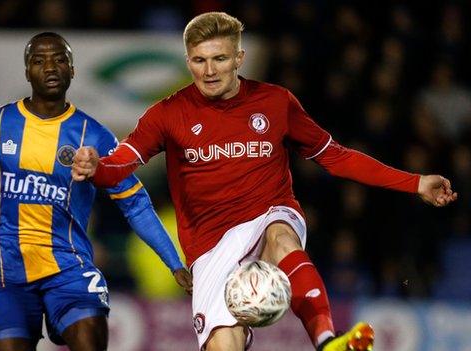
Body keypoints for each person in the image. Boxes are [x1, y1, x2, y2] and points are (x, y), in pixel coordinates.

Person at [71, 12, 458, 351]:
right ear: (188, 60)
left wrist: (415, 182)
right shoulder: (168, 114)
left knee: (280, 234)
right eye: (200, 61)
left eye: (220, 59)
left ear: (239, 58)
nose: (209, 71)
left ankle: (328, 341)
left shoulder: (276, 102)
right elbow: (124, 161)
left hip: (268, 211)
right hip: (210, 248)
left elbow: (335, 157)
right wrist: (97, 167)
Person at [0, 32, 192, 351]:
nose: (50, 68)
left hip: (69, 267)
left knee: (91, 340)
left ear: (72, 70)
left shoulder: (93, 135)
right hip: (9, 269)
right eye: (39, 61)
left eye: (59, 60)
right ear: (27, 71)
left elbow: (135, 203)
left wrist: (174, 262)